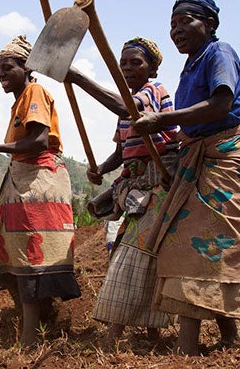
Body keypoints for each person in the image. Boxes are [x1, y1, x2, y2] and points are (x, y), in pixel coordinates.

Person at [133, 0, 240, 356]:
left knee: (197, 247)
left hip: (227, 160)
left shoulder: (219, 52)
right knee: (194, 248)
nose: (176, 30)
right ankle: (230, 338)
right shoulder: (190, 66)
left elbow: (221, 105)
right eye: (172, 23)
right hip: (198, 158)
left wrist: (163, 120)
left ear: (209, 24)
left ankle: (186, 350)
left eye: (184, 21)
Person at [0, 35, 81, 347]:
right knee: (3, 248)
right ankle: (38, 319)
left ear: (27, 67)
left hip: (39, 183)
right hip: (22, 181)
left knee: (31, 253)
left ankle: (31, 335)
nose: (2, 74)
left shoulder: (34, 91)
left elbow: (39, 140)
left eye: (8, 67)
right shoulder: (19, 101)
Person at [66, 37, 178, 346]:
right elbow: (121, 152)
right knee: (138, 254)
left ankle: (113, 337)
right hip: (133, 187)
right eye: (123, 63)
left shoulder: (153, 93)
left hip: (158, 183)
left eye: (135, 62)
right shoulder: (127, 104)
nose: (127, 68)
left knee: (132, 252)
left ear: (151, 68)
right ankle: (152, 332)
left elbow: (126, 108)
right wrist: (99, 170)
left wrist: (78, 78)